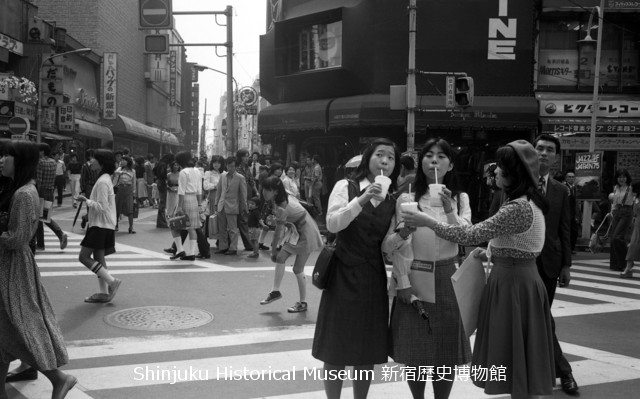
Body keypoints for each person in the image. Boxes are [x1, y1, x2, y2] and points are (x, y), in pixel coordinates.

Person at [402, 140, 554, 399]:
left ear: (512, 173)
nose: (494, 172)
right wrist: (495, 252)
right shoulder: (526, 201)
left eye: (500, 168)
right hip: (517, 277)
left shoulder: (517, 206)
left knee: (511, 347)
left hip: (513, 283)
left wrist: (428, 220)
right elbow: (522, 243)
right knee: (517, 348)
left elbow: (470, 234)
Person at [383, 138, 472, 399]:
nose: (434, 160)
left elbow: (465, 235)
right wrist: (402, 280)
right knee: (415, 350)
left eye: (442, 156)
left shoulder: (460, 198)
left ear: (451, 164)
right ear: (421, 162)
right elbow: (389, 247)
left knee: (445, 352)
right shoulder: (407, 199)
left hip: (447, 277)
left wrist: (449, 210)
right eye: (429, 155)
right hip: (413, 276)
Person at [312, 138, 401, 399]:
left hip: (372, 275)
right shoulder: (346, 186)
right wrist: (361, 200)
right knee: (335, 346)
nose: (385, 161)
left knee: (368, 347)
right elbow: (333, 223)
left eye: (391, 158)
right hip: (342, 272)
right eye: (380, 155)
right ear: (367, 159)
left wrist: (403, 233)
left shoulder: (393, 199)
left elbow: (386, 246)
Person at [0, 140, 78, 399]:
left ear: (19, 161)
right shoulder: (19, 189)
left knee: (21, 325)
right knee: (8, 327)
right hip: (10, 264)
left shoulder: (23, 194)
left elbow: (17, 238)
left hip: (12, 266)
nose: (1, 161)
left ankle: (59, 378)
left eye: (6, 156)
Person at [533, 134, 578, 395]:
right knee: (540, 318)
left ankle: (554, 370)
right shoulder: (519, 183)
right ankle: (564, 372)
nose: (543, 153)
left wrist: (567, 265)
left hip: (550, 263)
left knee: (541, 317)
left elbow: (565, 229)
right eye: (539, 148)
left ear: (556, 157)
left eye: (549, 150)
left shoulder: (562, 190)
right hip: (522, 263)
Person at [259, 176, 323, 312]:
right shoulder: (282, 196)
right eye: (263, 188)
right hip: (297, 230)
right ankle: (275, 291)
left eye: (267, 190)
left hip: (306, 232)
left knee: (297, 269)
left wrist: (274, 250)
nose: (264, 192)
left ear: (275, 191)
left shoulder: (283, 207)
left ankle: (303, 302)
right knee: (282, 259)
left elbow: (278, 231)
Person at [76, 149, 122, 304]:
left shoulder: (102, 181)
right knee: (98, 257)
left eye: (94, 159)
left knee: (83, 257)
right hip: (105, 223)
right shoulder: (105, 178)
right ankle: (103, 293)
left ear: (101, 163)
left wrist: (86, 200)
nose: (91, 161)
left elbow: (102, 206)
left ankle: (111, 281)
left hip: (100, 224)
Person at [168, 151, 203, 261]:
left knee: (173, 225)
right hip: (194, 200)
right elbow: (199, 190)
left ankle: (180, 249)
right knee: (191, 228)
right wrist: (200, 204)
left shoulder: (183, 172)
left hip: (185, 199)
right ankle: (191, 253)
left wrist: (179, 207)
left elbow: (181, 190)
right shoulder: (197, 171)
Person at [35, 143, 68, 251]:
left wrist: (36, 194)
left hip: (41, 191)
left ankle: (41, 244)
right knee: (44, 217)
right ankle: (58, 235)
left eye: (39, 150)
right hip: (50, 192)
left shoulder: (40, 162)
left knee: (40, 218)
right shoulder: (53, 162)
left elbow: (39, 180)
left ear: (42, 151)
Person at [213, 156, 247, 256]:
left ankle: (233, 248)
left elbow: (243, 195)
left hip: (233, 206)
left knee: (233, 229)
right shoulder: (222, 176)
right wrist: (216, 203)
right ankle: (223, 247)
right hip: (221, 205)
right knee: (221, 228)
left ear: (235, 167)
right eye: (228, 165)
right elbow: (219, 191)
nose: (230, 168)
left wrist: (244, 208)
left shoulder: (240, 178)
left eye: (232, 166)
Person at [608, 169, 635, 272]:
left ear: (627, 178)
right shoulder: (616, 188)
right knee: (613, 238)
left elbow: (636, 200)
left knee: (617, 237)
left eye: (624, 177)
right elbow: (614, 202)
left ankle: (628, 261)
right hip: (616, 212)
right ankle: (616, 264)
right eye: (619, 177)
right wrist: (611, 212)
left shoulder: (631, 188)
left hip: (627, 212)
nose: (621, 179)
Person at [236, 149, 257, 251]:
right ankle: (248, 244)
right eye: (244, 156)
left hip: (246, 196)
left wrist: (256, 191)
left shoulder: (247, 168)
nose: (246, 158)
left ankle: (248, 244)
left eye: (247, 156)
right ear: (240, 157)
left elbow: (251, 181)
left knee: (243, 218)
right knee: (242, 219)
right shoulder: (236, 168)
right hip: (238, 197)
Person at [621, 183, 640, 278]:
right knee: (633, 246)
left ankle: (628, 268)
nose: (630, 191)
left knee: (633, 245)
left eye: (632, 189)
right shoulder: (636, 198)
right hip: (637, 225)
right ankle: (628, 268)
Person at [113, 156, 137, 234]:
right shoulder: (119, 169)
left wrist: (134, 193)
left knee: (130, 209)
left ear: (128, 162)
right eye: (122, 160)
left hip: (129, 190)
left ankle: (131, 227)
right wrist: (121, 170)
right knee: (117, 207)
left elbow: (134, 182)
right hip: (120, 189)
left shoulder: (133, 171)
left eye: (124, 160)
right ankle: (116, 225)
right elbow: (115, 175)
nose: (122, 161)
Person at [80, 149, 100, 229]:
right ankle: (90, 224)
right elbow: (83, 179)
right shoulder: (85, 166)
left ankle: (86, 218)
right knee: (90, 205)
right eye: (93, 155)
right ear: (89, 156)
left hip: (97, 186)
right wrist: (83, 190)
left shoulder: (97, 165)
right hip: (89, 187)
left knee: (96, 205)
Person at [154, 153, 174, 228]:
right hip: (162, 184)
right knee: (163, 203)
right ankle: (161, 221)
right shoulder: (163, 165)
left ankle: (161, 221)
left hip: (159, 183)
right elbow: (163, 174)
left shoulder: (159, 163)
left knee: (162, 202)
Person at [564, 170, 579, 254]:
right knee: (567, 232)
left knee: (574, 232)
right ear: (566, 178)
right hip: (567, 214)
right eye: (569, 177)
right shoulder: (564, 187)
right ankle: (567, 249)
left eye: (572, 177)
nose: (571, 178)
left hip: (574, 214)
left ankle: (571, 248)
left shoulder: (576, 188)